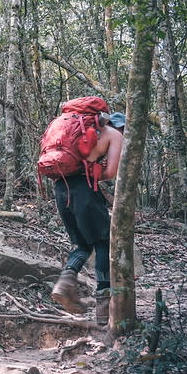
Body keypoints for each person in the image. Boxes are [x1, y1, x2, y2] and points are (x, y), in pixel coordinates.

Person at [50, 108, 123, 325]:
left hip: (60, 188)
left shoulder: (79, 129)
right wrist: (97, 169)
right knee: (102, 242)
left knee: (82, 244)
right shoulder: (114, 135)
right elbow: (110, 172)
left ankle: (64, 283)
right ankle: (103, 306)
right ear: (120, 126)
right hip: (83, 189)